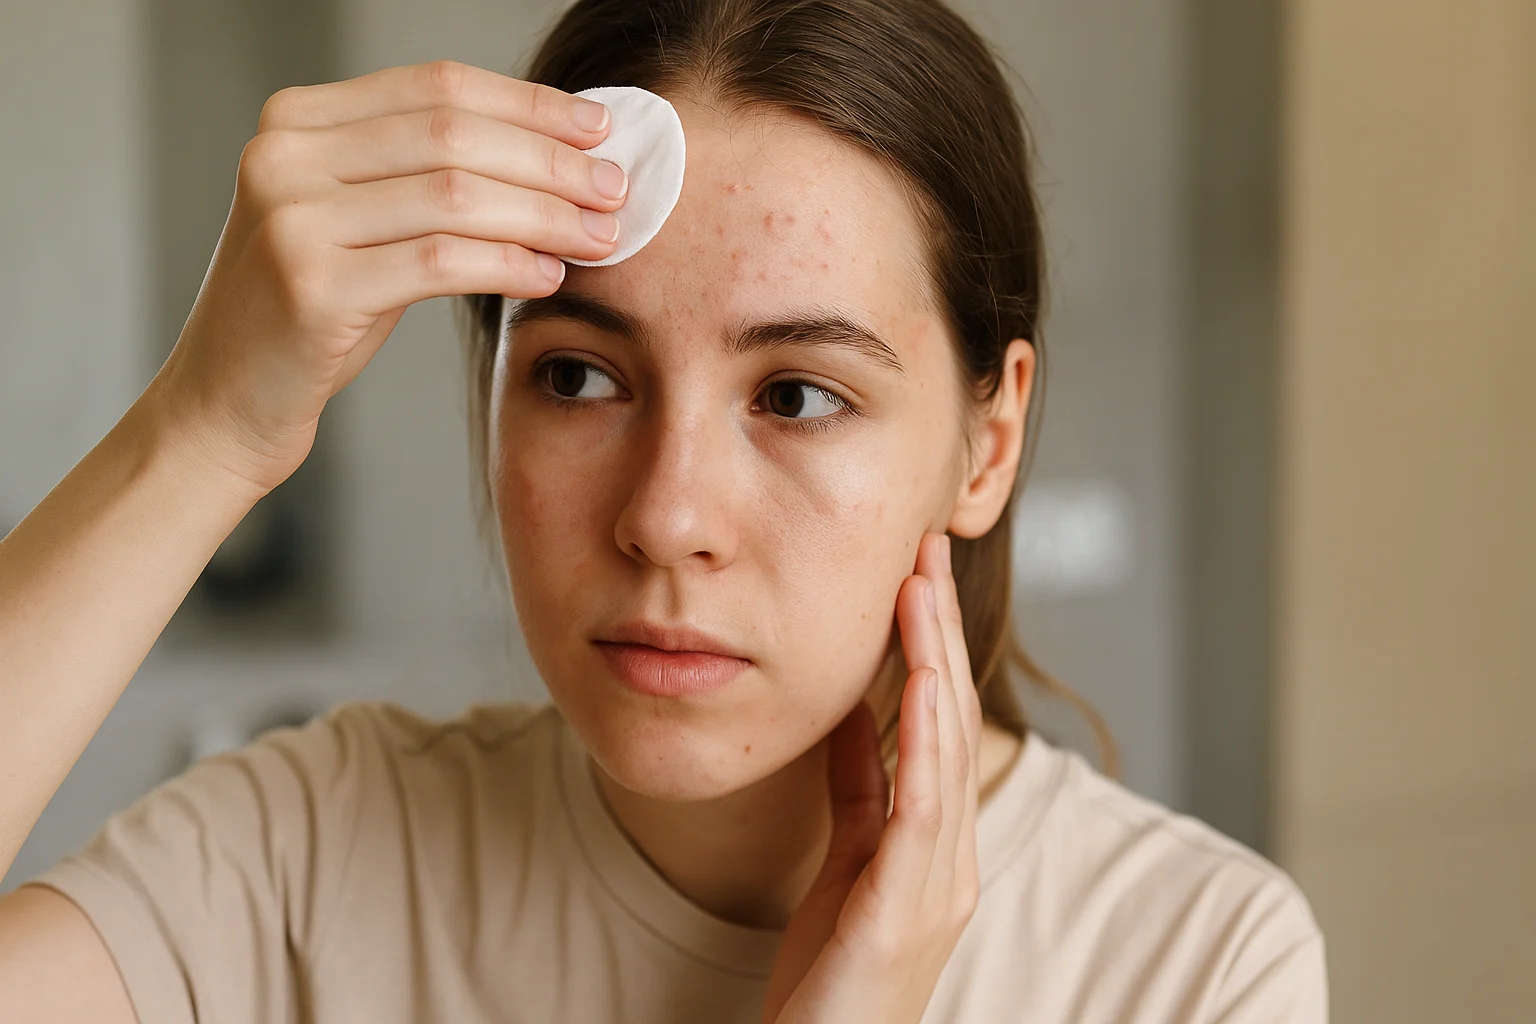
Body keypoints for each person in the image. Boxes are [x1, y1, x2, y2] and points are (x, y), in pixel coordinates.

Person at [0, 0, 1327, 1020]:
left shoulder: (1188, 965)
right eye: (579, 376)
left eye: (799, 396)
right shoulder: (305, 859)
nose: (667, 514)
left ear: (988, 441)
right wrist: (205, 429)